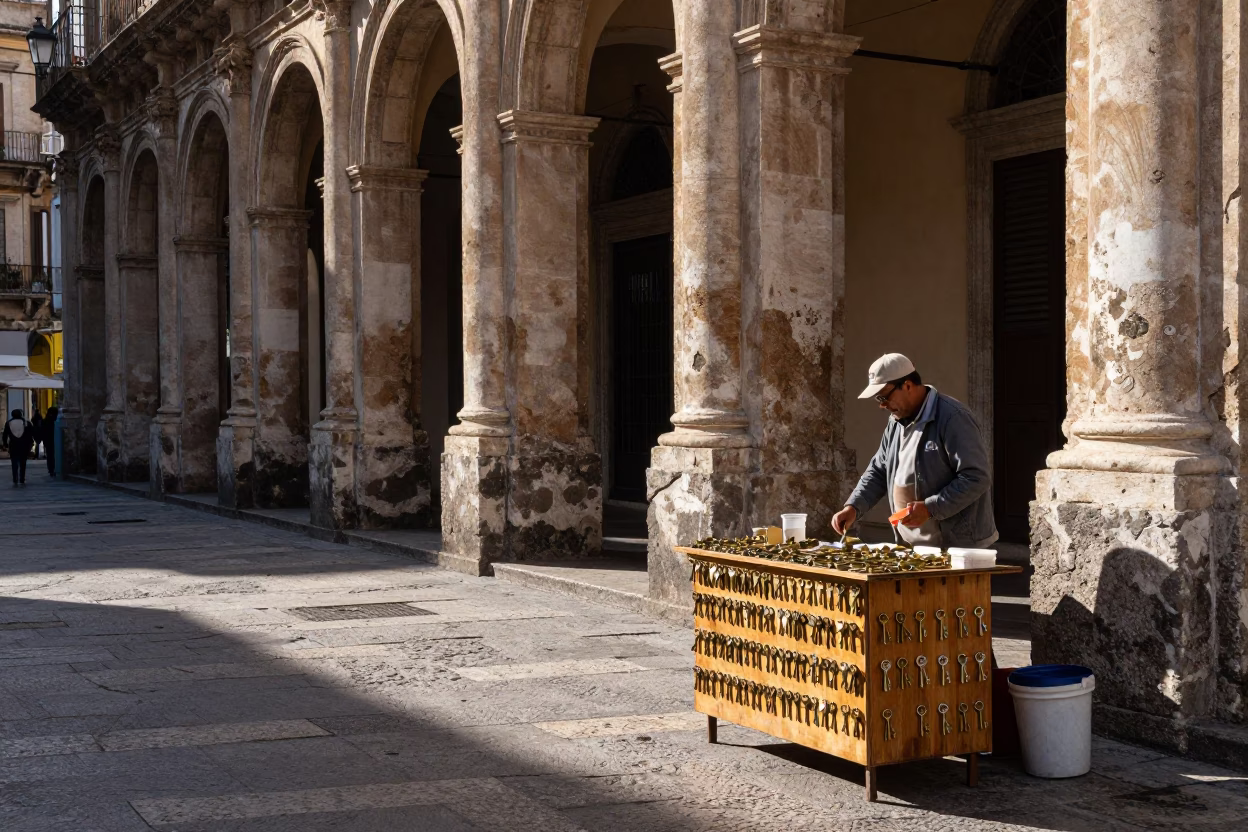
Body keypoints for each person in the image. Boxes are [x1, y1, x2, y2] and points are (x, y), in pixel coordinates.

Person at [831, 353, 998, 549]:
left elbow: (976, 477)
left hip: (957, 546)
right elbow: (878, 470)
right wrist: (854, 507)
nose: (882, 405)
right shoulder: (895, 422)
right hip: (910, 546)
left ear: (908, 385)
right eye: (878, 399)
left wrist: (930, 508)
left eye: (884, 397)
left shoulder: (953, 417)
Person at [2, 409, 35, 487]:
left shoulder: (8, 423)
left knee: (14, 462)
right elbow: (31, 435)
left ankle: (15, 478)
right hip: (24, 445)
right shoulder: (27, 423)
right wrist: (31, 444)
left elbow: (5, 435)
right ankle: (22, 478)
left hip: (13, 445)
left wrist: (5, 444)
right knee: (23, 462)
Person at [41, 406, 58, 476]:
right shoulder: (55, 420)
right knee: (54, 455)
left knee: (50, 455)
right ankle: (55, 468)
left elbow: (43, 432)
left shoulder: (46, 421)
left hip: (48, 441)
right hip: (54, 440)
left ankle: (51, 469)